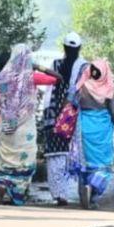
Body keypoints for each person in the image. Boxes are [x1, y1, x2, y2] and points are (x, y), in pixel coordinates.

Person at [0, 45, 55, 205]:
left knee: (3, 157)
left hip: (6, 127)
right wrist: (37, 66)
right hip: (25, 129)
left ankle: (2, 183)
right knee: (25, 159)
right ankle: (17, 192)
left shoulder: (3, 77)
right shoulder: (31, 77)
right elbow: (57, 78)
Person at [68, 59, 114, 209]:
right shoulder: (108, 90)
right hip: (102, 132)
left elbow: (72, 104)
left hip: (84, 129)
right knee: (103, 165)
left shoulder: (82, 86)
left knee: (84, 164)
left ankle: (83, 192)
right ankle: (93, 192)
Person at [41, 32, 86, 205]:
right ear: (79, 48)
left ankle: (59, 194)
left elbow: (49, 90)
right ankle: (78, 193)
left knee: (55, 156)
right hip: (75, 116)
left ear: (64, 48)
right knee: (73, 155)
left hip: (55, 116)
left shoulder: (55, 65)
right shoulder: (83, 67)